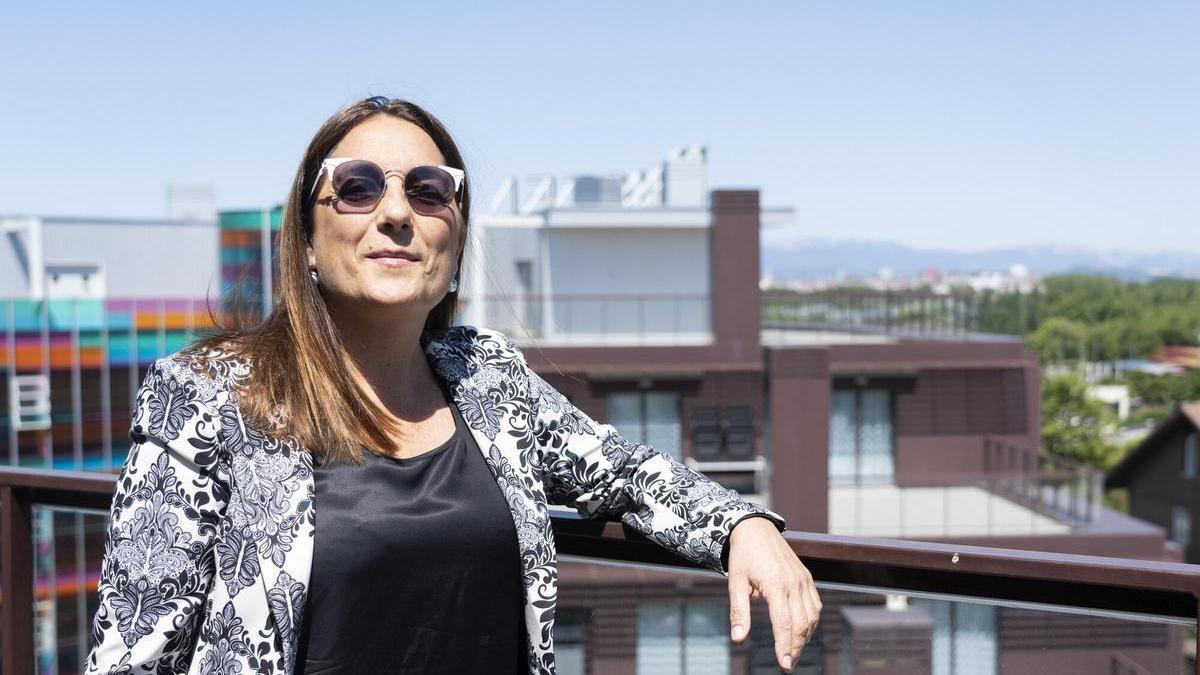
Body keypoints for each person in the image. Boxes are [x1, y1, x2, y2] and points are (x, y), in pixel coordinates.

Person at [83, 95, 821, 675]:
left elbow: (622, 471)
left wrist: (742, 525)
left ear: (456, 240)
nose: (396, 213)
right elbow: (133, 653)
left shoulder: (487, 375)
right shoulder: (208, 397)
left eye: (430, 191)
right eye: (356, 187)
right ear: (306, 237)